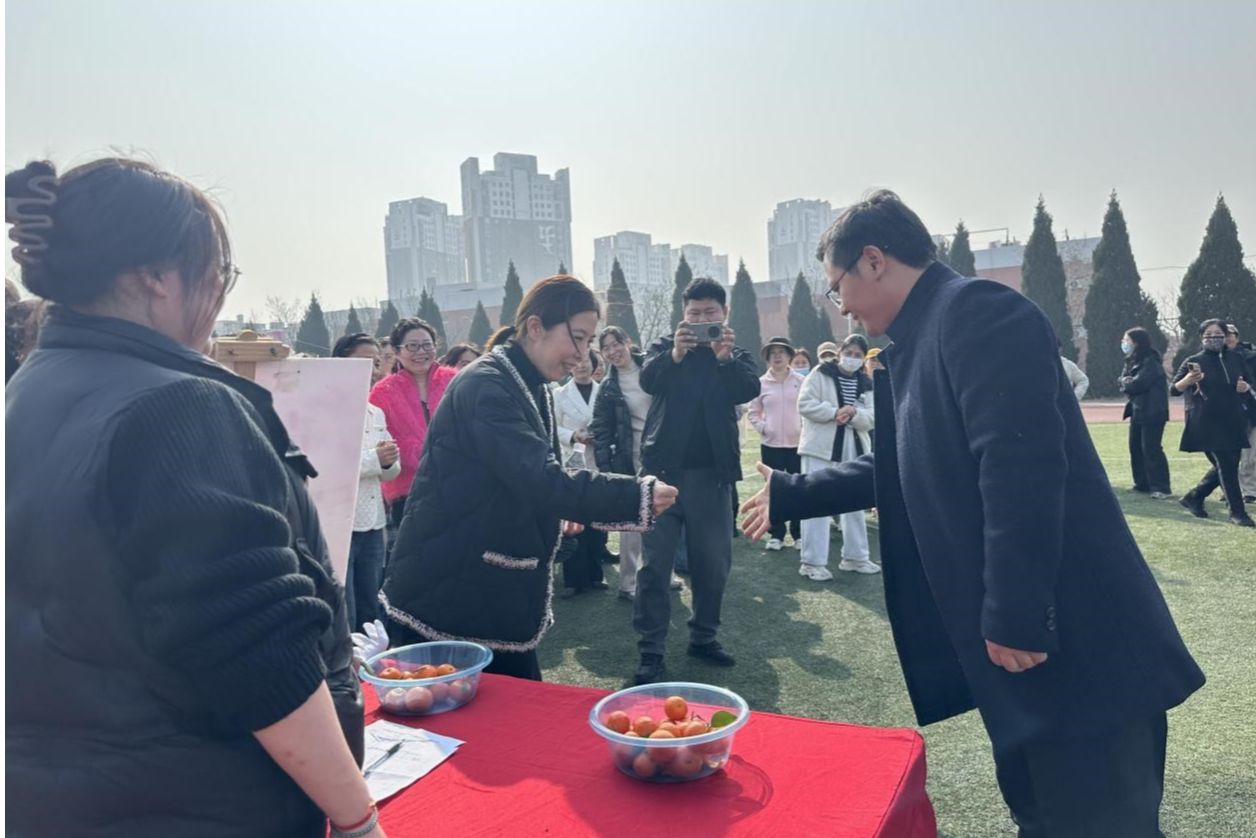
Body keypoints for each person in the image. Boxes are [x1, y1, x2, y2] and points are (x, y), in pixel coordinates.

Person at [741, 190, 1203, 836]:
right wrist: (794, 492)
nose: (838, 305)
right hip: (1030, 665)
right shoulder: (920, 339)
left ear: (873, 260)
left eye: (836, 285)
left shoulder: (977, 313)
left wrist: (1017, 614)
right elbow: (907, 465)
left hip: (1077, 654)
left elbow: (1022, 471)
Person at [5, 158, 383, 837]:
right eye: (219, 271)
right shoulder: (176, 406)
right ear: (157, 276)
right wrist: (358, 820)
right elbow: (257, 654)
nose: (217, 295)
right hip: (195, 799)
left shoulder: (28, 389)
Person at [379, 276, 677, 681]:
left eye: (589, 341)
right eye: (577, 338)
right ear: (535, 327)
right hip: (454, 592)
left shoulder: (523, 380)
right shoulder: (487, 386)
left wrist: (556, 512)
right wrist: (635, 495)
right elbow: (540, 478)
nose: (582, 354)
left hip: (479, 584)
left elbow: (521, 476)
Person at [633, 277, 761, 685]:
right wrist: (675, 353)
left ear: (724, 314)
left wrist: (724, 359)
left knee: (712, 564)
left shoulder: (734, 355)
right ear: (683, 315)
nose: (702, 321)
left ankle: (704, 637)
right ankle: (651, 650)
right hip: (662, 476)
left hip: (713, 478)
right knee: (655, 568)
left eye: (710, 313)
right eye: (694, 314)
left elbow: (748, 387)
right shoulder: (663, 348)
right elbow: (648, 380)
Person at [333, 333, 402, 628]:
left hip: (374, 522)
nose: (372, 371)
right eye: (362, 362)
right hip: (340, 524)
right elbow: (327, 466)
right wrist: (376, 459)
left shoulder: (375, 412)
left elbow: (390, 470)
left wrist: (386, 461)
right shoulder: (326, 410)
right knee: (345, 608)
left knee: (371, 607)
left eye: (375, 363)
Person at [797, 336, 877, 579]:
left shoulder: (866, 383)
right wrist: (834, 413)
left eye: (857, 355)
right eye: (848, 352)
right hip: (820, 446)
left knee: (854, 502)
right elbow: (805, 404)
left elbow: (873, 416)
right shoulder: (820, 373)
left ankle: (856, 557)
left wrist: (853, 414)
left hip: (854, 447)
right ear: (840, 352)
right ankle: (812, 562)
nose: (852, 358)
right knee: (816, 500)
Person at [369, 317, 456, 530]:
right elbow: (383, 443)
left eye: (427, 345)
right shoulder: (382, 392)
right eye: (412, 346)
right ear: (397, 351)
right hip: (408, 493)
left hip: (458, 486)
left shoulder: (456, 381)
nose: (421, 352)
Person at [1173, 318, 1255, 527]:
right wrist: (1189, 380)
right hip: (1207, 422)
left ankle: (1194, 496)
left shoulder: (1237, 358)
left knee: (1227, 465)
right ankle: (1238, 512)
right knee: (1226, 466)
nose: (1213, 338)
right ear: (1201, 337)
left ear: (1225, 336)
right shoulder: (1194, 360)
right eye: (1208, 335)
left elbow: (1249, 383)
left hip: (1234, 420)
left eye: (1218, 334)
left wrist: (1245, 388)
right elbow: (1174, 389)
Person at [591, 326, 649, 600]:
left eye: (616, 344)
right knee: (632, 520)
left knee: (663, 515)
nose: (613, 351)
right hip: (628, 456)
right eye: (606, 348)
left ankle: (663, 571)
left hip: (660, 453)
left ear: (628, 342)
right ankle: (628, 582)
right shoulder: (608, 387)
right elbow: (601, 428)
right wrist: (605, 467)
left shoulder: (652, 369)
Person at [553, 349, 611, 597]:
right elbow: (552, 427)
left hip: (599, 460)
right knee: (573, 521)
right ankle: (573, 580)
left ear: (594, 364)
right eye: (576, 362)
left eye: (586, 361)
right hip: (571, 461)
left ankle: (596, 574)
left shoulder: (605, 391)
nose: (581, 366)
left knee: (597, 520)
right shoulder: (559, 394)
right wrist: (573, 435)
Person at [748, 336, 803, 551]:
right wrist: (765, 428)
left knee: (798, 489)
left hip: (798, 444)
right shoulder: (760, 383)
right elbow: (753, 412)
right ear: (767, 358)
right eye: (773, 353)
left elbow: (808, 409)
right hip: (771, 445)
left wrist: (803, 429)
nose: (777, 356)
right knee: (773, 490)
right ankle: (776, 534)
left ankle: (799, 534)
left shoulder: (801, 381)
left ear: (789, 356)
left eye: (781, 352)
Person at [1118, 327, 1172, 499]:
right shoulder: (1131, 360)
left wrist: (1127, 383)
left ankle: (1161, 487)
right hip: (1137, 410)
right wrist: (1126, 382)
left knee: (1151, 449)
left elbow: (1137, 384)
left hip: (1153, 411)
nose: (1124, 343)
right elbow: (1122, 381)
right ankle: (1142, 483)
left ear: (1136, 342)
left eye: (1127, 340)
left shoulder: (1151, 362)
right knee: (1135, 447)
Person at [1226, 323, 1256, 502]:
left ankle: (1249, 490)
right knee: (1227, 455)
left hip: (1250, 411)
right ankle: (1229, 489)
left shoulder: (1251, 357)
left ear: (1237, 337)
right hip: (1225, 412)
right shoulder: (1214, 359)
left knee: (1250, 455)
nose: (1227, 337)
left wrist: (1249, 388)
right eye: (1224, 334)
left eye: (1231, 334)